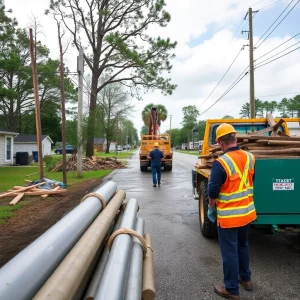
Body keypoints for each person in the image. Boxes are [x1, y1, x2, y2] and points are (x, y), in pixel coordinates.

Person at [207, 123, 256, 300]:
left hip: (229, 217)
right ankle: (246, 279)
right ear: (235, 138)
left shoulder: (221, 163)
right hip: (247, 213)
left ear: (220, 142)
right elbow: (251, 180)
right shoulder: (250, 157)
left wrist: (211, 208)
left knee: (229, 252)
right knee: (243, 246)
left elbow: (212, 191)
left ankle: (231, 289)